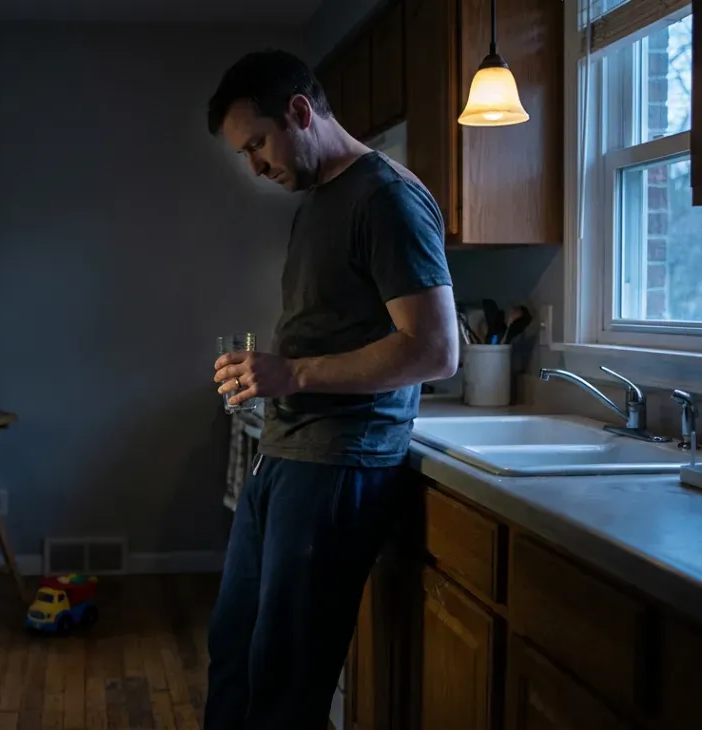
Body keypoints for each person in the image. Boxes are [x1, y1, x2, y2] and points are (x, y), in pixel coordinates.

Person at [204, 49, 458, 729]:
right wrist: (275, 371)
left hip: (340, 464)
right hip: (287, 456)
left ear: (299, 111)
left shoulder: (386, 197)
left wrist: (294, 374)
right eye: (244, 154)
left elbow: (436, 349)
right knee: (233, 652)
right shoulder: (319, 201)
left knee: (285, 681)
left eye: (257, 143)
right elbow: (339, 327)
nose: (255, 166)